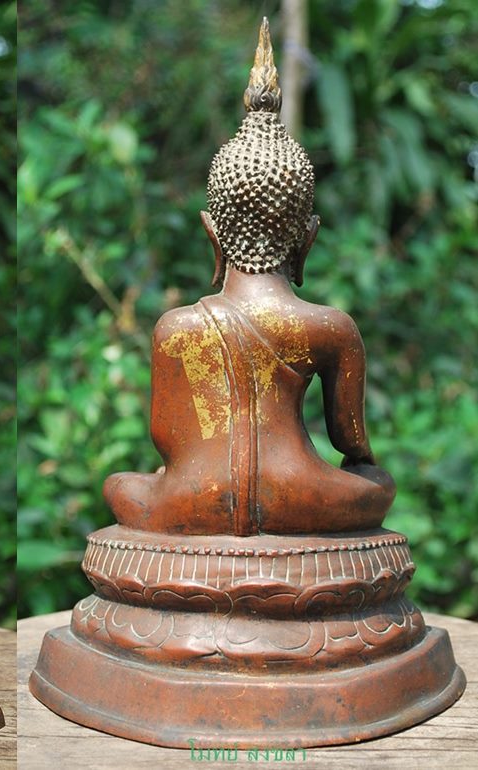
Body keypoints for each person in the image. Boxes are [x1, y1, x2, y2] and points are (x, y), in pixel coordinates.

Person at [104, 19, 395, 536]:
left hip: (193, 499)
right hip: (301, 496)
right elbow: (352, 442)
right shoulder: (331, 328)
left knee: (121, 485)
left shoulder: (174, 329)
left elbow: (166, 440)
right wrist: (360, 468)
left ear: (212, 234)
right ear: (307, 238)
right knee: (377, 484)